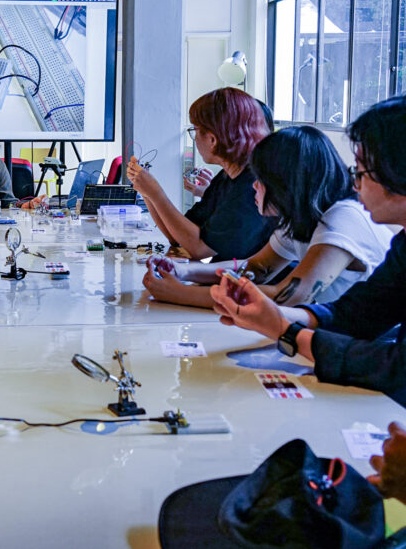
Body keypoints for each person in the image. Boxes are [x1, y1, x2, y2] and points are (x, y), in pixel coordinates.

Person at [209, 96, 406, 405]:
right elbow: (355, 313)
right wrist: (269, 317)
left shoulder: (343, 217)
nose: (355, 185)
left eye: (362, 173)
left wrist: (285, 329)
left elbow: (395, 365)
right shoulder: (402, 243)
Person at [143, 125, 393, 308]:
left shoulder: (340, 221)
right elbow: (256, 268)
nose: (254, 186)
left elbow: (287, 295)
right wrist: (184, 272)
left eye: (261, 179)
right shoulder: (300, 219)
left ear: (284, 184)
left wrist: (178, 294)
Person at [128, 88, 276, 261]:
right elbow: (177, 238)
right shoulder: (226, 177)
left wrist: (156, 193)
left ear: (212, 139)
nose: (195, 138)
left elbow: (199, 249)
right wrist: (146, 192)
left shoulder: (250, 186)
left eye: (195, 130)